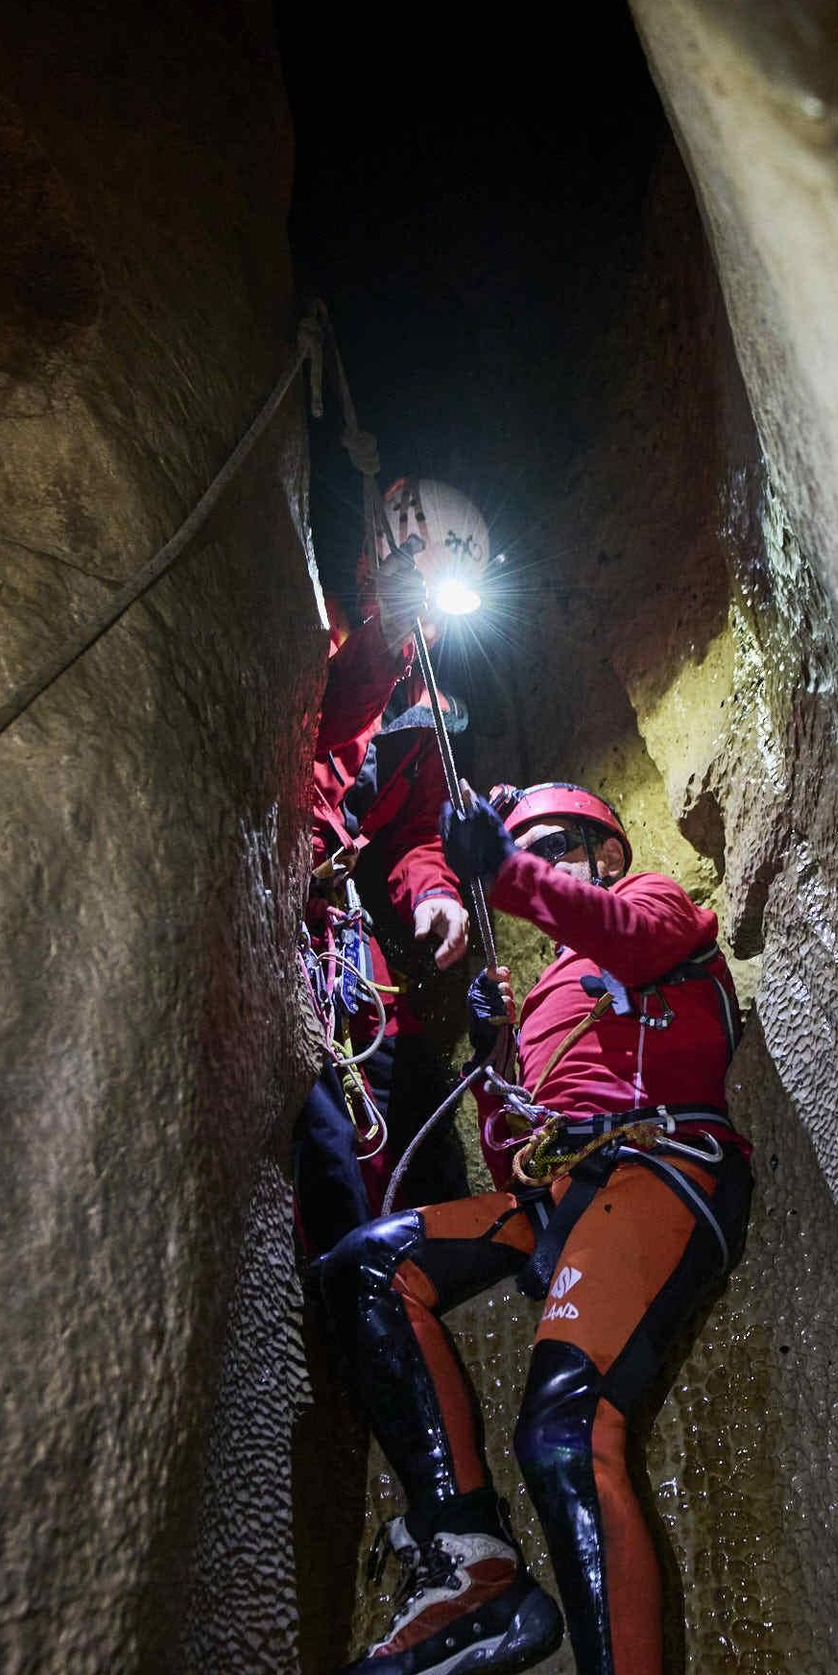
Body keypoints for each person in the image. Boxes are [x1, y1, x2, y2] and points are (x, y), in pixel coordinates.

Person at [316, 779, 751, 1675]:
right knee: (368, 1266)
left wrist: (503, 871)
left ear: (607, 850)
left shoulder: (659, 905)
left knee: (567, 1429)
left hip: (662, 1158)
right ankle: (468, 1558)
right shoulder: (535, 1000)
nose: (547, 857)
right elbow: (516, 1144)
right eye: (536, 841)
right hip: (561, 1194)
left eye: (568, 843)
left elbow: (627, 934)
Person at [294, 479, 488, 1257]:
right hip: (285, 906)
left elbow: (415, 828)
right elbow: (308, 729)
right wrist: (381, 646)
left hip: (342, 925)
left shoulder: (426, 696)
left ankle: (400, 1288)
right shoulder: (316, 628)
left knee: (397, 1090)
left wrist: (436, 895)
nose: (433, 624)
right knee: (324, 1142)